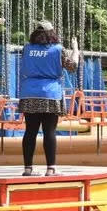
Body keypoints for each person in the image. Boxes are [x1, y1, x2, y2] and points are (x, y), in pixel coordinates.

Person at [19, 21, 79, 176]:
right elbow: (72, 67)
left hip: (29, 92)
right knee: (49, 131)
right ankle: (51, 168)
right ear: (52, 33)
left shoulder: (26, 49)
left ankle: (27, 169)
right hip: (50, 94)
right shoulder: (58, 50)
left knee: (30, 131)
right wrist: (76, 49)